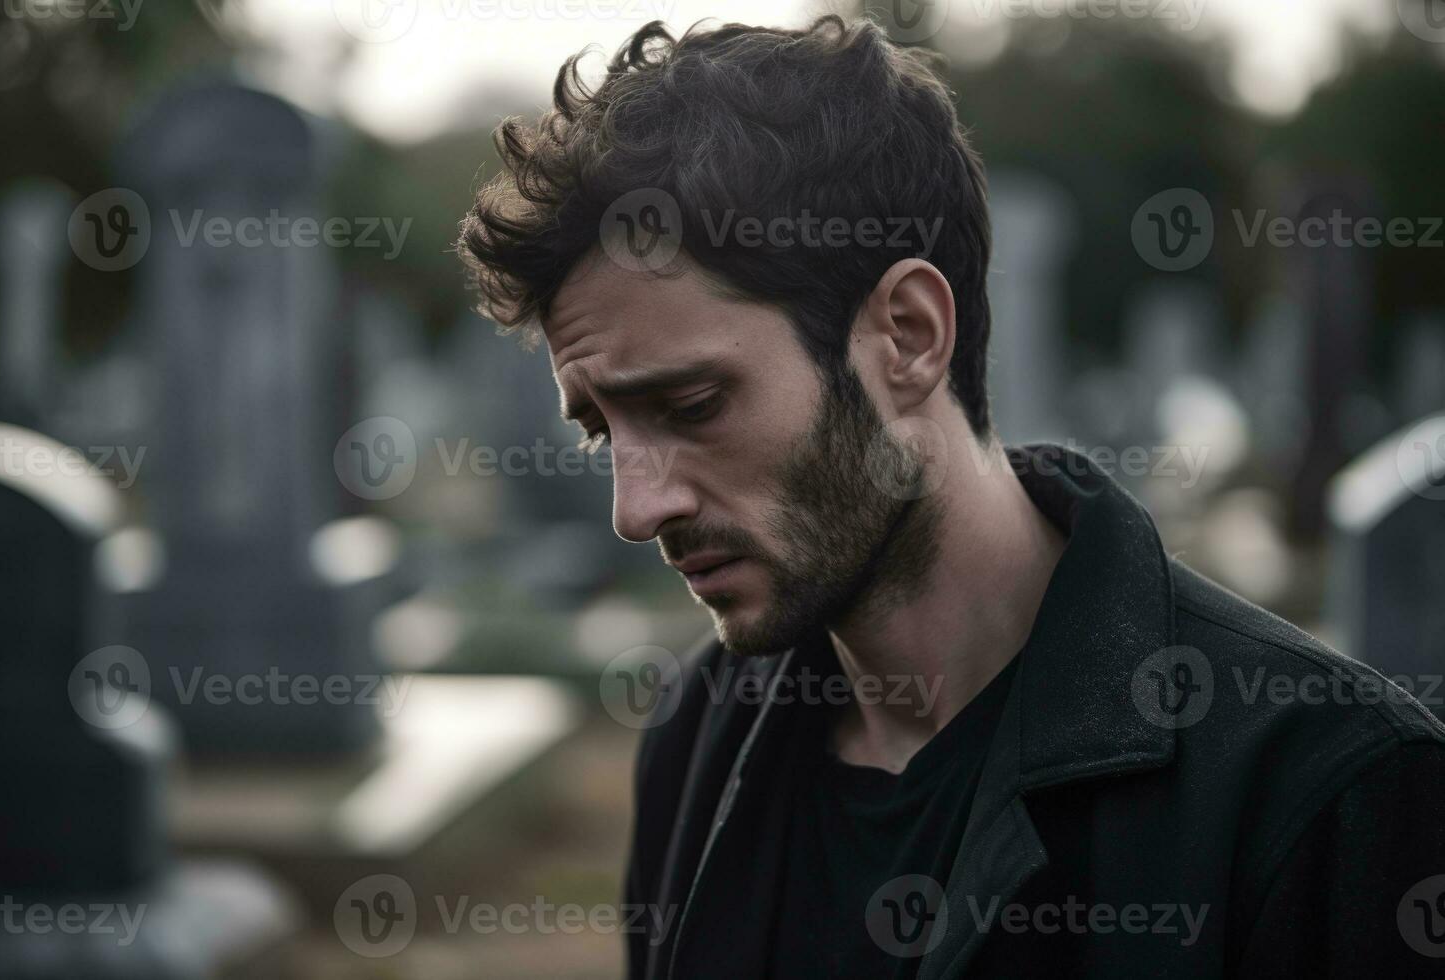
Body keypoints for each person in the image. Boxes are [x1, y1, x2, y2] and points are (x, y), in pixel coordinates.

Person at [456, 15, 1445, 978]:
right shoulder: (698, 735)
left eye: (692, 402)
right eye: (602, 430)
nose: (636, 507)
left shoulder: (1324, 794)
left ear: (911, 335)